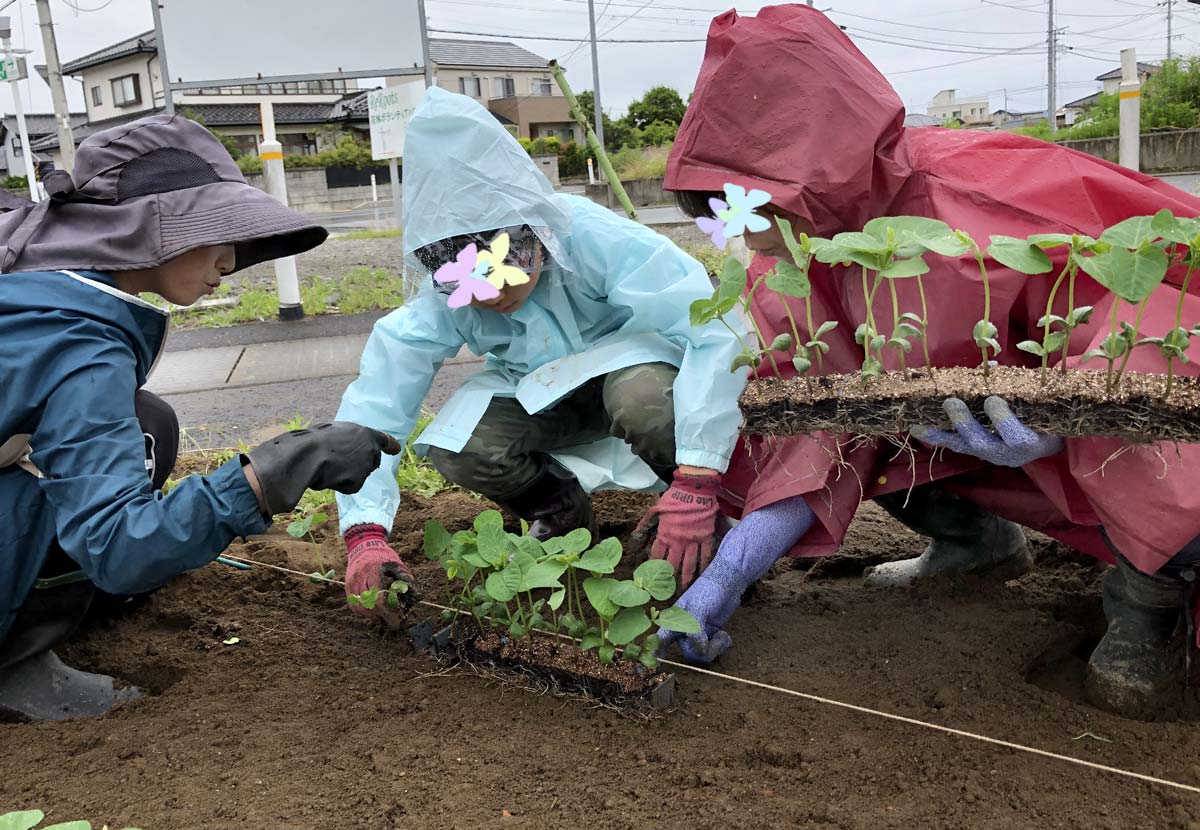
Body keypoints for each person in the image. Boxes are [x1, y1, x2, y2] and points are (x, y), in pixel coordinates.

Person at [659, 4, 1200, 719]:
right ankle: (976, 546)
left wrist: (1066, 419)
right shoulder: (789, 260)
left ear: (802, 168)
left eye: (746, 208)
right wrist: (732, 571)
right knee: (864, 416)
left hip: (1090, 439)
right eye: (718, 214)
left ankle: (1150, 597)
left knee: (1148, 422)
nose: (741, 236)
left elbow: (1151, 321)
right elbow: (819, 430)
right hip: (971, 444)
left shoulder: (981, 190)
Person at [0, 115, 400, 722]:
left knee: (147, 424)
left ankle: (61, 601)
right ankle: (14, 665)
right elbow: (117, 543)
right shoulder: (77, 344)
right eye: (218, 230)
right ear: (149, 229)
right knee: (44, 490)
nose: (231, 257)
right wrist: (276, 472)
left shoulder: (38, 277)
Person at [334, 87, 748, 626]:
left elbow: (714, 328)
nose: (489, 295)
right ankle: (562, 515)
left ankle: (705, 522)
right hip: (541, 392)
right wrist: (364, 531)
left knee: (643, 400)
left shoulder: (592, 237)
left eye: (502, 269)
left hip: (634, 378)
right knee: (460, 445)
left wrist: (699, 476)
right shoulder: (445, 291)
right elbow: (378, 403)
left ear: (533, 232)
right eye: (468, 282)